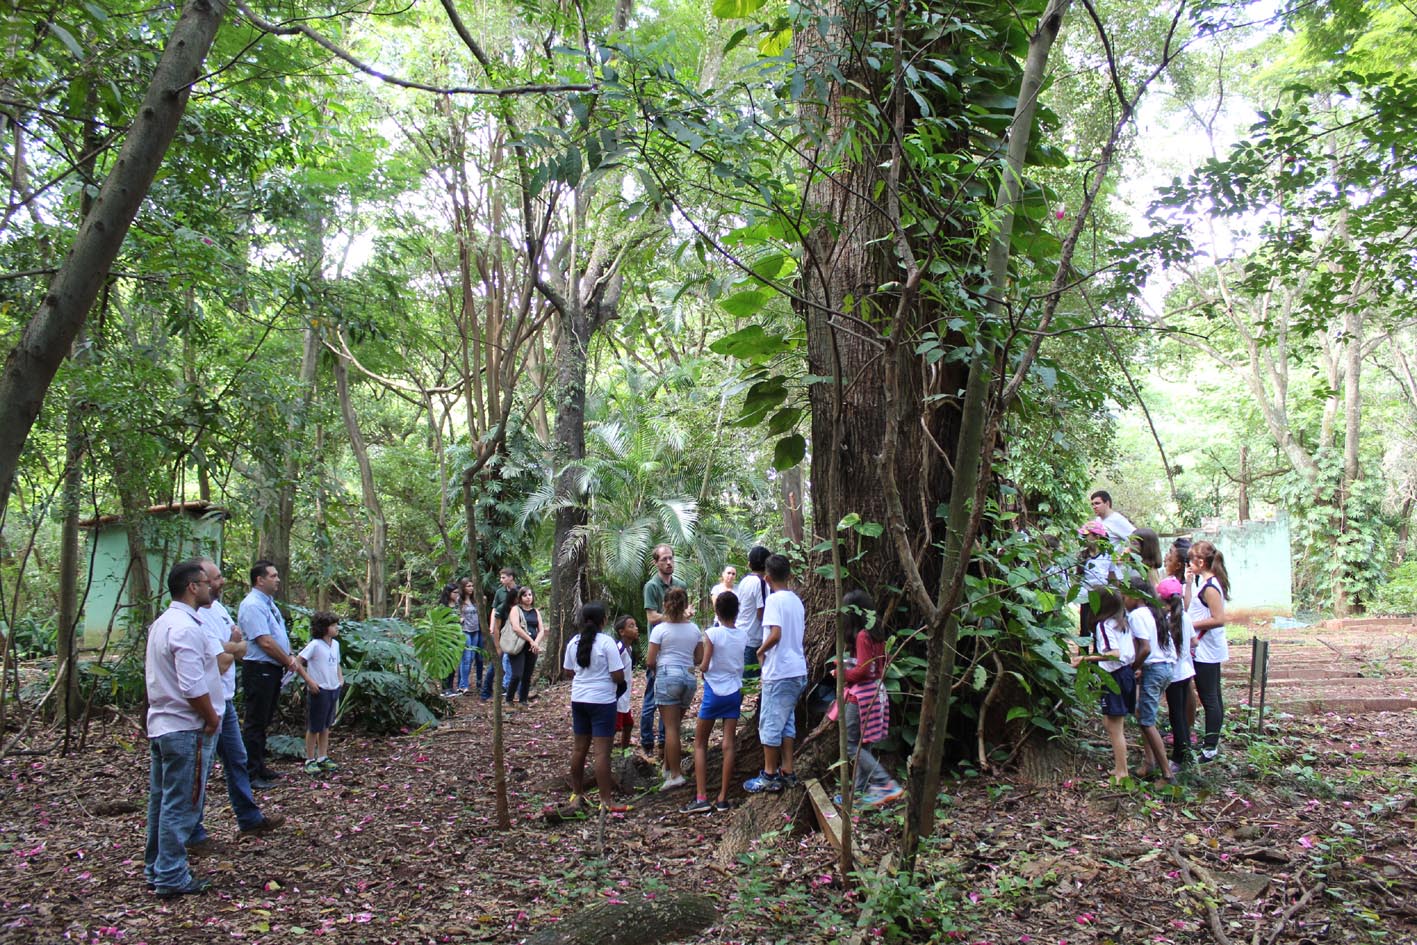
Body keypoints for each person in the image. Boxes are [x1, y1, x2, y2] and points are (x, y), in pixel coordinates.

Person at [189, 558, 283, 850]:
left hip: (225, 699)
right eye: (214, 579)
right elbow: (219, 661)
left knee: (236, 760)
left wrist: (228, 647)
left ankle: (249, 818)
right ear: (196, 584)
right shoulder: (194, 618)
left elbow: (239, 647)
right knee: (198, 770)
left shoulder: (217, 609)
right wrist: (229, 648)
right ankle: (194, 834)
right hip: (205, 703)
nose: (221, 583)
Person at [144, 559, 221, 899]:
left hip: (163, 725)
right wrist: (212, 717)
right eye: (206, 582)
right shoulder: (186, 628)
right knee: (181, 804)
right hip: (184, 727)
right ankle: (172, 876)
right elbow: (192, 686)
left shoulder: (163, 623)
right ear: (193, 586)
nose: (210, 588)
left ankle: (157, 868)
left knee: (162, 801)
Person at [238, 560, 315, 784]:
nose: (277, 579)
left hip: (272, 668)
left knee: (264, 720)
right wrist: (288, 661)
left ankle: (260, 765)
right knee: (255, 721)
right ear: (259, 580)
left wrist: (289, 655)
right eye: (272, 576)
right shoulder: (252, 604)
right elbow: (265, 641)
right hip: (259, 668)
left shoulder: (268, 603)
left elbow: (276, 635)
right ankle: (251, 773)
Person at [745, 554, 807, 793]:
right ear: (789, 575)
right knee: (786, 722)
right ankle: (787, 769)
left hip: (779, 672)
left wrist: (760, 651)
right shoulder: (796, 600)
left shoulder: (773, 601)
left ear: (767, 578)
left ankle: (770, 775)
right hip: (797, 670)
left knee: (769, 725)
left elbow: (776, 633)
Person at [836, 589, 902, 806]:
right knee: (863, 745)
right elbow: (877, 665)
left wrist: (841, 673)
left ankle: (885, 783)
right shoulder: (876, 633)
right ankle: (859, 793)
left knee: (850, 745)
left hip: (862, 697)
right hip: (876, 692)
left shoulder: (863, 636)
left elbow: (863, 670)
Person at [682, 591, 746, 814]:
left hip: (713, 692)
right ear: (737, 612)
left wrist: (697, 667)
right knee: (729, 743)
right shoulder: (743, 635)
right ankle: (722, 797)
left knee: (700, 743)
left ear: (717, 612)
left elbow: (706, 665)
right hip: (734, 693)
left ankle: (701, 797)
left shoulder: (712, 634)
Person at [563, 602, 629, 813]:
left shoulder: (574, 642)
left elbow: (568, 671)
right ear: (604, 621)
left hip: (579, 699)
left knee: (579, 748)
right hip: (602, 701)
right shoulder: (606, 642)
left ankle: (577, 792)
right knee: (602, 753)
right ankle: (605, 800)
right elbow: (617, 675)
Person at [1072, 587, 1134, 782]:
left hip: (1115, 675)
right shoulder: (1121, 621)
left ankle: (1121, 771)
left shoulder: (1104, 625)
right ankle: (1120, 766)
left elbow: (1113, 653)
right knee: (1110, 722)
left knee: (1115, 728)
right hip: (1125, 673)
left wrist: (1086, 658)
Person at [648, 587, 702, 790]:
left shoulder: (660, 630)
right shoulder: (695, 629)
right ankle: (667, 767)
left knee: (670, 728)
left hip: (668, 675)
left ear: (665, 605)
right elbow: (698, 658)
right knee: (675, 726)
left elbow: (650, 660)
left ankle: (675, 775)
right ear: (685, 605)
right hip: (688, 677)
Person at [1124, 576, 1174, 782]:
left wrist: (1133, 667)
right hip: (1165, 668)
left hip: (1154, 669)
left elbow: (1145, 648)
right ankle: (1149, 762)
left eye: (1124, 595)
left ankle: (1167, 774)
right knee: (1142, 712)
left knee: (1146, 721)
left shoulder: (1137, 615)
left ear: (1135, 596)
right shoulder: (1154, 612)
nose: (1123, 600)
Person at [1187, 540, 1230, 762]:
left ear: (1201, 562)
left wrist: (1189, 625)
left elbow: (1219, 619)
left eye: (1191, 560)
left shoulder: (1211, 587)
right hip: (1203, 648)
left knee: (1210, 698)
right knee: (1211, 696)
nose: (1188, 564)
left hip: (1207, 650)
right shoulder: (1203, 583)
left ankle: (1210, 747)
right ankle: (1210, 744)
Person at [640, 545, 685, 756]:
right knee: (652, 696)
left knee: (670, 700)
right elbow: (651, 617)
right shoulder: (651, 586)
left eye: (671, 558)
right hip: (657, 648)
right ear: (656, 563)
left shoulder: (680, 585)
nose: (669, 562)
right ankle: (647, 742)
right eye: (664, 559)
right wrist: (675, 615)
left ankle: (665, 741)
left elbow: (685, 610)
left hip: (676, 649)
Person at [299, 611, 344, 775]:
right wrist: (309, 681)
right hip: (320, 689)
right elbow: (298, 662)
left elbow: (336, 663)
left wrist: (340, 679)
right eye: (333, 625)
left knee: (326, 725)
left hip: (333, 688)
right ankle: (310, 759)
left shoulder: (336, 644)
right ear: (324, 628)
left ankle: (322, 757)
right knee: (314, 726)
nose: (336, 628)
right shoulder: (315, 645)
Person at [1157, 577, 1194, 770]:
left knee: (1177, 715)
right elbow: (1194, 641)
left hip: (1174, 674)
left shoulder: (1166, 620)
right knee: (1179, 714)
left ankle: (1179, 757)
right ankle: (1186, 747)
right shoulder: (1185, 617)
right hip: (1186, 671)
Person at [503, 585, 544, 705]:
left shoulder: (535, 611)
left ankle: (523, 700)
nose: (528, 598)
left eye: (530, 595)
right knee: (517, 674)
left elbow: (541, 629)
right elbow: (516, 627)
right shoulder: (516, 609)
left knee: (527, 675)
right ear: (520, 597)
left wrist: (535, 642)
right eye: (525, 595)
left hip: (532, 647)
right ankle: (509, 699)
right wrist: (530, 640)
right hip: (518, 645)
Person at [481, 568, 518, 702]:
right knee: (497, 660)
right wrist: (492, 627)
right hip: (501, 630)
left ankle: (513, 691)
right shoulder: (499, 592)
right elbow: (495, 610)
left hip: (515, 631)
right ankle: (486, 692)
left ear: (511, 577)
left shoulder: (520, 591)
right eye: (501, 578)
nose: (501, 580)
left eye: (504, 577)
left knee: (513, 661)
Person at [736, 546, 770, 682]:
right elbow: (761, 613)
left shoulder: (745, 581)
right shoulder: (761, 583)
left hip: (741, 633)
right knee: (747, 682)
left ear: (749, 564)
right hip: (752, 639)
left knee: (742, 681)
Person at [613, 615, 640, 751]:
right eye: (631, 626)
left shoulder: (629, 649)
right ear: (621, 632)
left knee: (628, 724)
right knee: (614, 727)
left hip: (625, 695)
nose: (636, 628)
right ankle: (607, 754)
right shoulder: (619, 649)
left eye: (635, 625)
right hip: (616, 695)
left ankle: (625, 752)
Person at [459, 577, 484, 695]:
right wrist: (459, 619)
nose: (471, 588)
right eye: (468, 586)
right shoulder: (460, 600)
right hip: (465, 631)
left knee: (473, 657)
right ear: (463, 588)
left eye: (472, 586)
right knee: (466, 659)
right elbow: (454, 613)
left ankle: (464, 683)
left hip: (476, 630)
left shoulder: (475, 600)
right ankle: (464, 686)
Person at [439, 582, 463, 696]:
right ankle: (444, 689)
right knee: (445, 663)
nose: (457, 595)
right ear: (448, 593)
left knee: (453, 664)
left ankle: (451, 687)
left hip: (456, 638)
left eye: (458, 592)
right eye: (455, 593)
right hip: (446, 638)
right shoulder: (442, 607)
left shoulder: (457, 605)